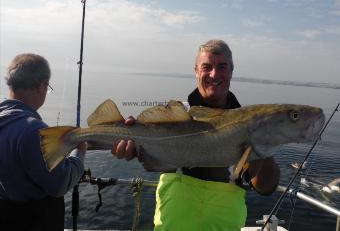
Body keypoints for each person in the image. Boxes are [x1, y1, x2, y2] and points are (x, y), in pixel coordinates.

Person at [112, 40, 280, 230]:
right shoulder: (175, 115)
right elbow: (144, 142)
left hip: (224, 225)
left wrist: (263, 150)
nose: (214, 74)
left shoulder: (248, 124)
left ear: (231, 71)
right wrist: (131, 139)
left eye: (222, 67)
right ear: (196, 71)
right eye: (206, 67)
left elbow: (265, 187)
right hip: (173, 223)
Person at [0, 53, 86, 231]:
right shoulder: (33, 131)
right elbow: (60, 183)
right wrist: (79, 152)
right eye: (47, 87)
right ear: (42, 86)